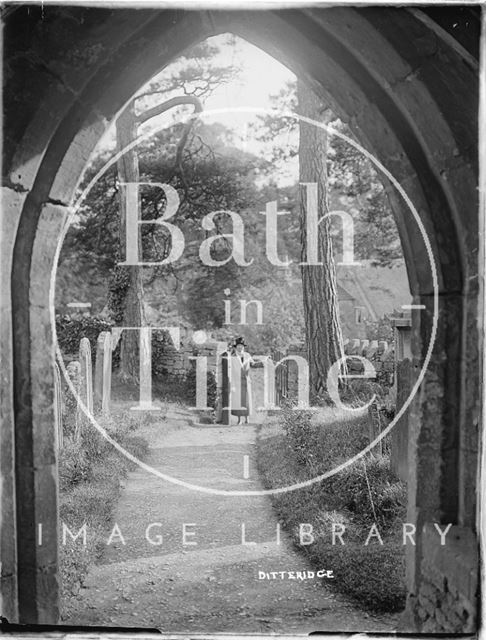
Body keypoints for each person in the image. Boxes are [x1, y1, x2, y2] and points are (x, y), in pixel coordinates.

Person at [230, 337, 254, 425]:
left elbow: (253, 363)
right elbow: (231, 370)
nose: (240, 347)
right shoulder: (233, 357)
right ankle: (239, 419)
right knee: (238, 400)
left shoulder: (247, 355)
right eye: (238, 346)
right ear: (236, 347)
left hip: (246, 380)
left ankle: (247, 418)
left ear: (244, 347)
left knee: (247, 399)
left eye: (242, 346)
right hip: (237, 380)